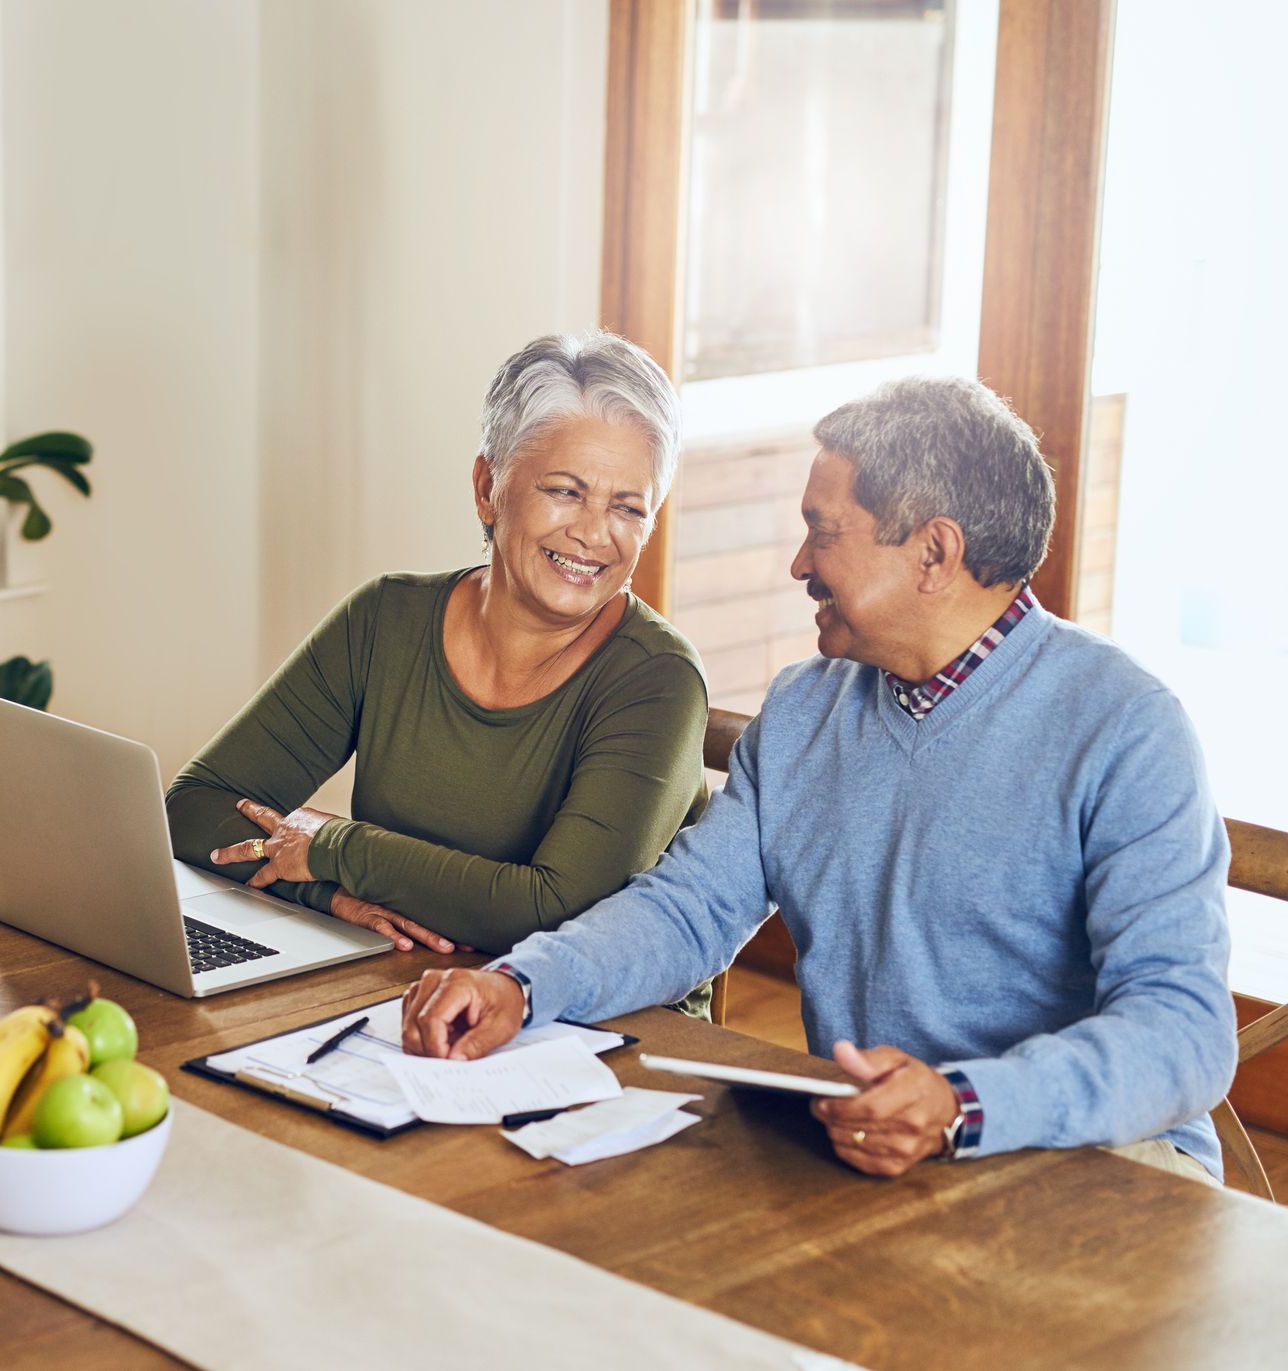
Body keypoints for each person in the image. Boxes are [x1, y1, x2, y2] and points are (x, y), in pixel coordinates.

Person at [399, 375, 1238, 1182]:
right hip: (876, 1152)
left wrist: (960, 1106)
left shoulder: (1126, 727)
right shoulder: (806, 708)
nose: (799, 562)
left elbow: (1184, 1035)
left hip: (1096, 1164)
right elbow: (687, 909)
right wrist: (522, 981)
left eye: (823, 530)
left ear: (934, 552)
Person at [165, 332, 713, 1013]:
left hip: (598, 1029)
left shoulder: (659, 679)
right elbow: (193, 807)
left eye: (628, 506)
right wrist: (323, 889)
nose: (595, 532)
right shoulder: (385, 619)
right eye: (566, 491)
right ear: (489, 487)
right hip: (404, 991)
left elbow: (561, 909)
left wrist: (337, 847)